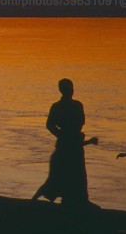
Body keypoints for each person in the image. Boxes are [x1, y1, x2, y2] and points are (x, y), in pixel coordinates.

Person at [32, 78, 98, 208]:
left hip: (73, 143)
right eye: (69, 88)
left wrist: (73, 137)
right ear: (63, 90)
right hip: (66, 145)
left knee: (78, 175)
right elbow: (50, 125)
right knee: (62, 175)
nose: (71, 91)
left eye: (71, 88)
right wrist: (62, 135)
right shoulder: (58, 106)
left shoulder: (77, 105)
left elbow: (78, 123)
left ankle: (79, 200)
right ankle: (36, 200)